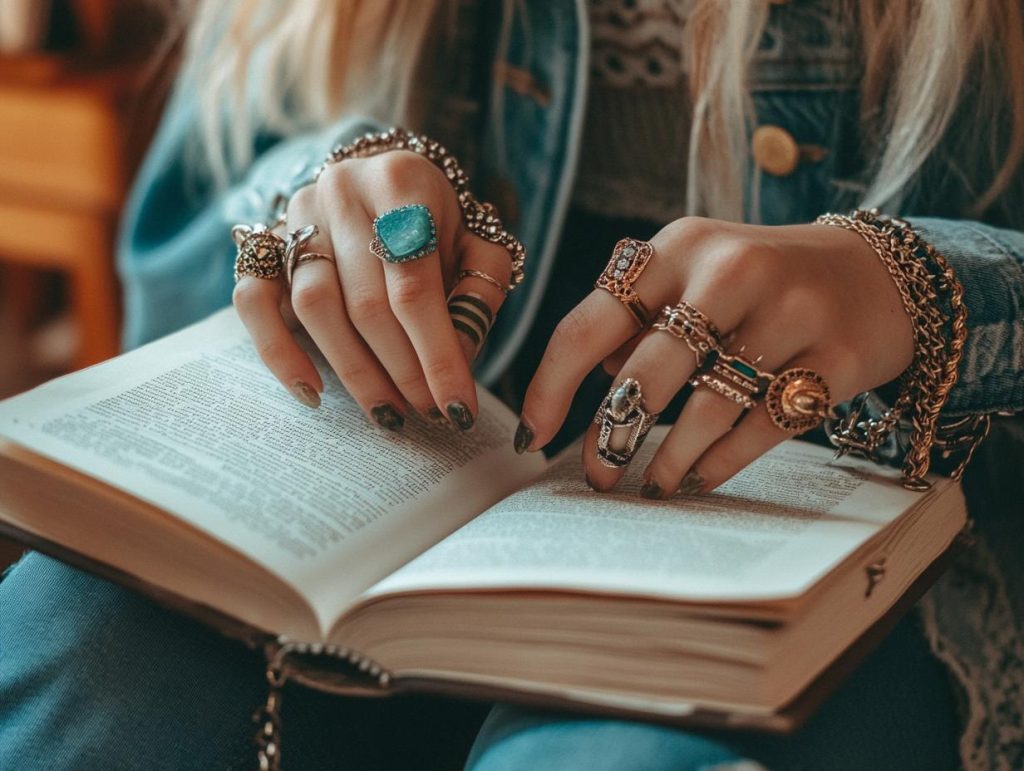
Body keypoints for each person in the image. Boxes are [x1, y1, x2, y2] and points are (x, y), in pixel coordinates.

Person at [2, 1, 1022, 769]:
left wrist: (925, 288)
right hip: (421, 451)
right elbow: (191, 218)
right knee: (90, 649)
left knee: (620, 756)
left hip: (863, 489)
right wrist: (330, 193)